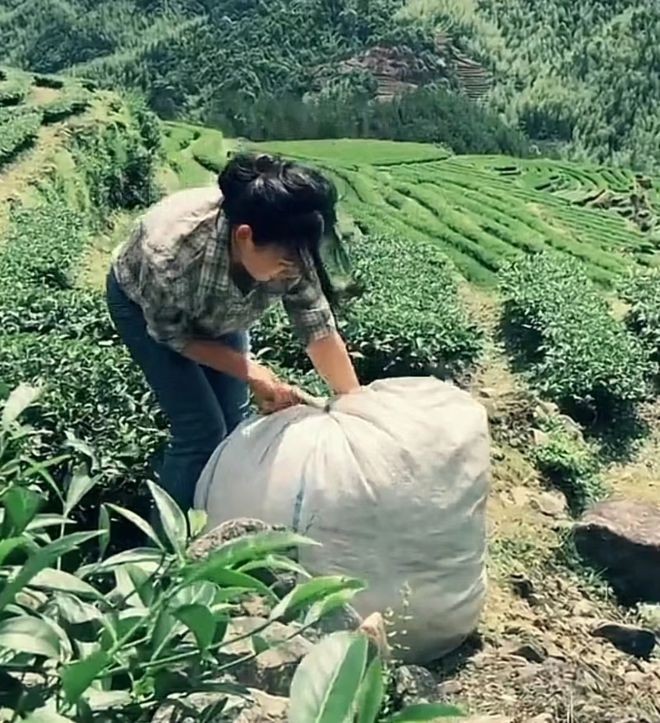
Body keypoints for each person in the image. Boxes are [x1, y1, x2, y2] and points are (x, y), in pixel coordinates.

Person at [106, 152, 360, 511]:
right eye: (283, 264)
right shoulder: (172, 254)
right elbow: (174, 336)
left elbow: (317, 327)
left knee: (232, 421)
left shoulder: (288, 247)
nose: (291, 272)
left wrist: (356, 407)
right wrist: (253, 371)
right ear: (245, 237)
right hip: (146, 307)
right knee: (200, 431)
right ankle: (164, 551)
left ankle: (214, 515)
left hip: (221, 313)